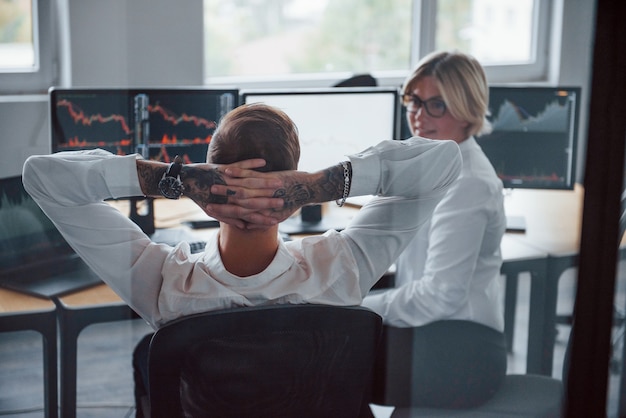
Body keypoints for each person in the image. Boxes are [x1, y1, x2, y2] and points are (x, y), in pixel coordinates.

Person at [23, 103, 462, 416]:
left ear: (208, 172)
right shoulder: (342, 268)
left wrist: (172, 180)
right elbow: (444, 163)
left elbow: (42, 178)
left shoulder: (165, 287)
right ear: (293, 172)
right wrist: (318, 186)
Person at [360, 51, 508, 408]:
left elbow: (442, 294)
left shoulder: (468, 181)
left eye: (436, 105)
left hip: (462, 351)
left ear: (466, 108)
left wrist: (362, 308)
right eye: (414, 102)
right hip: (433, 328)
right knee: (324, 352)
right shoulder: (435, 160)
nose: (418, 117)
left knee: (324, 360)